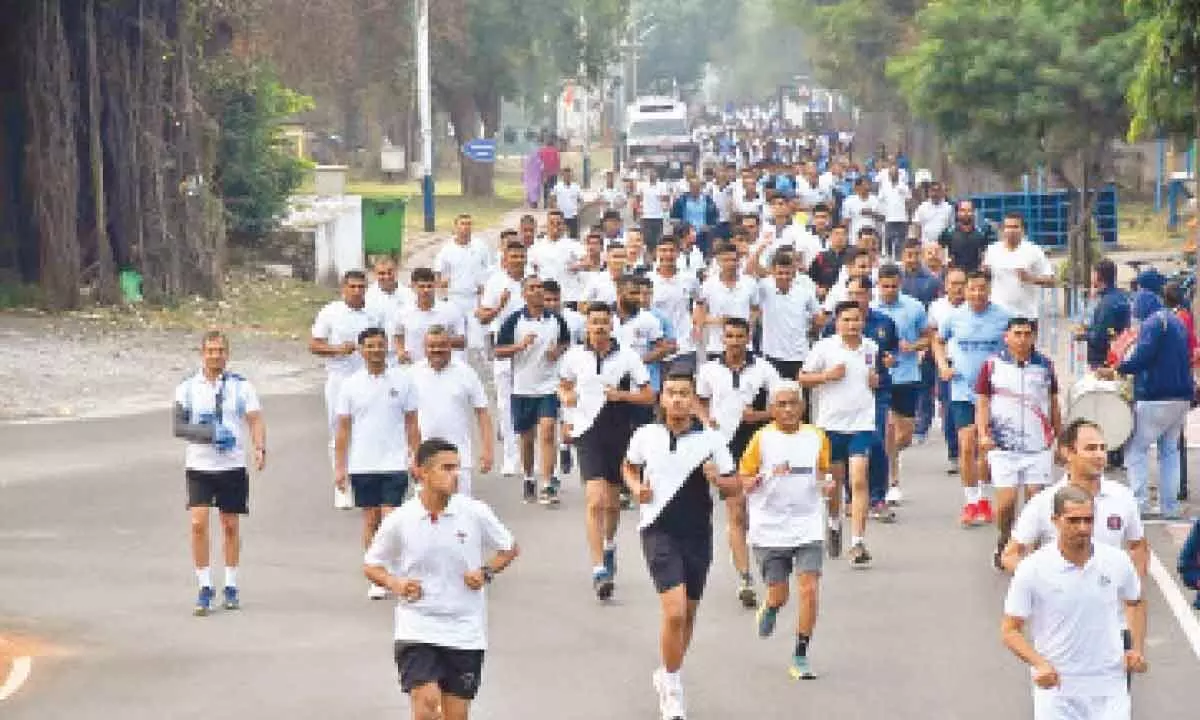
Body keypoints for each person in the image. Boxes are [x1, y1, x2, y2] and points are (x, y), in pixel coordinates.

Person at [364, 439, 520, 720]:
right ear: (422, 473)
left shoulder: (474, 512)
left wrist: (485, 572)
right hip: (417, 626)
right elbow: (372, 565)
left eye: (457, 468)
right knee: (425, 706)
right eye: (446, 468)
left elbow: (509, 548)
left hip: (464, 629)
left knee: (455, 716)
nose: (455, 475)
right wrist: (395, 583)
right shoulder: (402, 519)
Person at [623, 371, 740, 720]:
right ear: (662, 398)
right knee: (673, 611)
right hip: (658, 529)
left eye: (684, 393)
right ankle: (673, 690)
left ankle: (667, 672)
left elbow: (735, 486)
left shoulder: (712, 440)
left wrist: (716, 479)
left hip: (697, 532)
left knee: (687, 614)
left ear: (693, 400)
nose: (677, 399)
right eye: (671, 393)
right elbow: (628, 466)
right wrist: (635, 488)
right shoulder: (646, 435)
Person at [1001, 484, 1146, 720]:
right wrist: (1039, 664)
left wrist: (1136, 649)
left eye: (1088, 520)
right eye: (1074, 520)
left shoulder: (1116, 561)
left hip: (1109, 686)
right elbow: (1010, 630)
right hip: (1058, 688)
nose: (1083, 528)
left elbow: (1135, 602)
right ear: (1055, 521)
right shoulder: (1032, 568)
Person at [559, 304, 654, 600]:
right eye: (594, 322)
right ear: (587, 326)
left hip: (618, 431)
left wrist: (621, 395)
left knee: (612, 504)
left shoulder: (628, 357)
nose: (599, 327)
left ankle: (610, 544)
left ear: (612, 327)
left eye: (604, 323)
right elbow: (562, 386)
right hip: (587, 433)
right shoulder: (574, 356)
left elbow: (649, 395)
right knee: (595, 500)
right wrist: (567, 399)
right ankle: (598, 569)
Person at [737, 382, 830, 680]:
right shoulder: (761, 440)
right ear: (773, 410)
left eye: (793, 403)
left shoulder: (816, 437)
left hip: (807, 523)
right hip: (770, 528)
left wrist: (826, 485)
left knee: (809, 589)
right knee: (780, 594)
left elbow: (822, 473)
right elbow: (744, 477)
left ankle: (800, 654)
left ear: (802, 407)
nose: (788, 410)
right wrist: (753, 482)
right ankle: (771, 605)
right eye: (782, 404)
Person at [173, 331, 266, 615]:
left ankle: (230, 583)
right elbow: (178, 427)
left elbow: (254, 419)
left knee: (230, 525)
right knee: (198, 524)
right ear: (202, 353)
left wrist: (259, 447)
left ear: (227, 354)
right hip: (200, 466)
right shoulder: (187, 387)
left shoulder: (241, 387)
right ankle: (204, 586)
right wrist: (209, 434)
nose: (216, 355)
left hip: (231, 466)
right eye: (211, 350)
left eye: (221, 350)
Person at [696, 317, 782, 608]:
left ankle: (767, 566)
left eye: (739, 336)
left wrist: (757, 416)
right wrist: (706, 420)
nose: (734, 341)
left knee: (755, 510)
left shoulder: (764, 369)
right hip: (724, 446)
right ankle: (745, 577)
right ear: (723, 339)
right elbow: (699, 399)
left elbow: (784, 406)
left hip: (757, 445)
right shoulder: (709, 369)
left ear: (748, 339)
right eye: (729, 336)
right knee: (736, 511)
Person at [334, 327, 421, 600]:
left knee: (391, 518)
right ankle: (376, 573)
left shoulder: (402, 380)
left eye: (380, 345)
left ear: (388, 348)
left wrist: (417, 458)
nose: (375, 351)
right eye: (369, 346)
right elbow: (343, 430)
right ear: (361, 351)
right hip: (363, 463)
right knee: (370, 519)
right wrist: (340, 467)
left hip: (394, 462)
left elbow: (412, 423)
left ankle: (394, 570)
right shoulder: (350, 385)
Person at [800, 301, 884, 567]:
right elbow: (802, 377)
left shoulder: (871, 347)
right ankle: (834, 522)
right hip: (831, 424)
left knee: (859, 479)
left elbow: (876, 378)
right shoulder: (824, 347)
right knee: (834, 483)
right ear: (836, 323)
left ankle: (857, 542)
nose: (852, 325)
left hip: (862, 422)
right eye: (846, 320)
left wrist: (876, 381)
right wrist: (826, 375)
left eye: (856, 319)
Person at [1096, 288, 1193, 518]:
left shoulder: (1153, 323)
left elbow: (1143, 356)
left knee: (1135, 449)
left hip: (1155, 396)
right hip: (1181, 397)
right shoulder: (1175, 321)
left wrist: (1118, 369)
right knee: (1169, 451)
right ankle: (1170, 508)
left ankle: (1139, 504)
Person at [976, 317, 1063, 568]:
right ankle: (1005, 538)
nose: (1022, 339)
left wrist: (1060, 440)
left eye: (1027, 334)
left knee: (1037, 501)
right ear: (1007, 336)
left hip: (1038, 446)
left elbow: (1053, 403)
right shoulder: (993, 365)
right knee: (1006, 504)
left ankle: (1033, 555)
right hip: (1003, 447)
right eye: (1017, 333)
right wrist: (983, 432)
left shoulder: (1044, 366)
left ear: (1034, 337)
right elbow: (982, 401)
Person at [933, 270, 1010, 527]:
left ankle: (985, 498)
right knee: (966, 444)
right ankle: (971, 501)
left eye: (982, 289)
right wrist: (944, 365)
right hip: (962, 390)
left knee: (985, 448)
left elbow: (1016, 347)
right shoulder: (954, 318)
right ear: (964, 291)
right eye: (972, 289)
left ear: (989, 290)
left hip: (993, 392)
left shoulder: (1003, 318)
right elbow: (938, 341)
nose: (977, 294)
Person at [310, 270, 386, 509]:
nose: (357, 291)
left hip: (370, 377)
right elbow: (314, 344)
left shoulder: (375, 313)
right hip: (340, 378)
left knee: (372, 428)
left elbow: (386, 344)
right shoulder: (330, 312)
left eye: (361, 287)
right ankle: (341, 485)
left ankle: (371, 479)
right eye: (352, 287)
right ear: (343, 288)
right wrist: (336, 350)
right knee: (340, 431)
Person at [494, 276, 571, 505]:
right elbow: (498, 351)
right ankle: (529, 476)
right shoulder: (513, 321)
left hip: (548, 387)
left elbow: (566, 342)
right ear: (524, 293)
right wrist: (519, 346)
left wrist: (557, 351)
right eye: (532, 288)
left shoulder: (556, 320)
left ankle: (547, 484)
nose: (537, 292)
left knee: (548, 432)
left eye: (540, 288)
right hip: (522, 388)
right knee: (527, 440)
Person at [411, 327, 494, 497]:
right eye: (432, 346)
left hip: (459, 457)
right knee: (428, 515)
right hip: (425, 456)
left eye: (442, 345)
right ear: (424, 348)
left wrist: (487, 450)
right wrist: (413, 455)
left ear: (450, 346)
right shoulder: (412, 374)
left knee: (459, 513)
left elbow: (482, 412)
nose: (437, 350)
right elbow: (406, 419)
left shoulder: (466, 373)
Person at [872, 264, 928, 506]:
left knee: (904, 435)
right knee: (887, 431)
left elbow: (928, 337)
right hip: (881, 378)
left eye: (894, 285)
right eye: (885, 286)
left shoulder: (914, 307)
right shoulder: (871, 310)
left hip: (908, 374)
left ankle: (884, 458)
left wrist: (913, 347)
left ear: (900, 284)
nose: (889, 290)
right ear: (878, 285)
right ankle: (891, 481)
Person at [476, 242, 528, 475]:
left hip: (530, 353)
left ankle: (530, 454)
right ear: (504, 260)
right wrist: (500, 305)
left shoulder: (533, 282)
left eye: (520, 256)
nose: (517, 260)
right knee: (505, 405)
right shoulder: (496, 283)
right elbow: (483, 318)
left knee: (530, 403)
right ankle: (510, 456)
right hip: (504, 349)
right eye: (513, 256)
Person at [433, 214, 490, 356]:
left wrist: (485, 296)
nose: (466, 227)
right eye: (462, 224)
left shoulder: (480, 246)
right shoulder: (447, 249)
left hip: (475, 299)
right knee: (457, 339)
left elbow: (489, 270)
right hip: (455, 299)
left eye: (469, 224)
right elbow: (438, 273)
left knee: (477, 342)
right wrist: (442, 289)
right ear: (455, 227)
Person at [927, 267, 967, 473]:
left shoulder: (974, 308)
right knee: (950, 409)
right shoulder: (936, 308)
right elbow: (934, 338)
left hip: (970, 366)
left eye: (962, 284)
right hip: (947, 364)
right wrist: (941, 364)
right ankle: (954, 452)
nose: (958, 289)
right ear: (945, 286)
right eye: (954, 284)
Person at [982, 212, 1056, 320]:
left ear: (1023, 230)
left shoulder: (1034, 250)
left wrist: (1030, 278)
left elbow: (1051, 281)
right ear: (1002, 230)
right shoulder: (992, 250)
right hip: (998, 313)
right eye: (1008, 227)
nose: (1011, 231)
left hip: (1026, 314)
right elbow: (987, 277)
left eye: (1015, 227)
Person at [393, 267, 468, 365]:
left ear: (435, 285)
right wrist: (400, 351)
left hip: (443, 367)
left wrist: (439, 341)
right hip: (414, 368)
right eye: (421, 286)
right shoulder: (403, 312)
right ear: (413, 287)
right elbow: (398, 334)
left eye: (429, 286)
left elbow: (462, 342)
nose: (426, 290)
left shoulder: (450, 310)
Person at [938, 200, 996, 272]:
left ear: (974, 212)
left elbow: (988, 253)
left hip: (976, 276)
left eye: (969, 210)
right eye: (962, 210)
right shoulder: (948, 233)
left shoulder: (982, 233)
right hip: (955, 276)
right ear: (957, 213)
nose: (966, 213)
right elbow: (940, 249)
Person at [551, 167, 584, 239]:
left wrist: (578, 209)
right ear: (563, 175)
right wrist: (556, 209)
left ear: (571, 176)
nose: (567, 177)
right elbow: (553, 199)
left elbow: (581, 200)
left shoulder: (576, 187)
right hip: (561, 217)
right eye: (565, 175)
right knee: (560, 237)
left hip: (573, 216)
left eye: (569, 175)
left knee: (573, 237)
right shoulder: (557, 187)